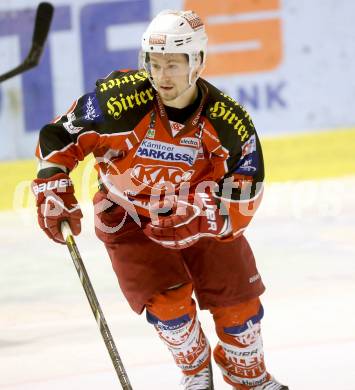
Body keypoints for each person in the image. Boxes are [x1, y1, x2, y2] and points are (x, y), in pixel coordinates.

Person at [31, 9, 288, 390]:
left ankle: (246, 374)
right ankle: (195, 370)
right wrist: (51, 181)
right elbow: (59, 136)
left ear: (197, 61)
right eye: (154, 63)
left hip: (199, 210)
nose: (162, 76)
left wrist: (201, 217)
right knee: (171, 309)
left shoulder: (228, 121)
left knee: (240, 310)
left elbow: (248, 186)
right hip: (127, 216)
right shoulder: (116, 102)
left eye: (173, 64)